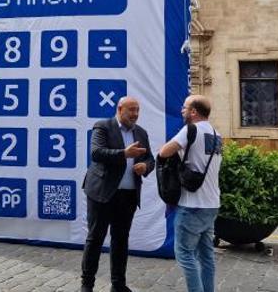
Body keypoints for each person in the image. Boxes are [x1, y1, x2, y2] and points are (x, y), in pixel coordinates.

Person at [80, 96, 154, 292]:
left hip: (128, 196)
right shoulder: (103, 126)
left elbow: (150, 159)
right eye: (131, 110)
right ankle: (87, 285)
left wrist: (144, 166)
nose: (135, 114)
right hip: (102, 193)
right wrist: (124, 154)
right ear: (120, 109)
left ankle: (118, 285)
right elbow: (96, 153)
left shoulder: (141, 133)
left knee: (121, 240)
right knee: (95, 238)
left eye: (137, 110)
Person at [159, 95, 222, 292]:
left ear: (194, 111)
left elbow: (164, 152)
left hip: (193, 204)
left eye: (185, 107)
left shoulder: (190, 129)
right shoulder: (216, 133)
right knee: (206, 256)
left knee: (185, 253)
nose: (182, 110)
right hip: (211, 203)